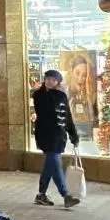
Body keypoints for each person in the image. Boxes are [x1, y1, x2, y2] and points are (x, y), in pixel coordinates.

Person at [32, 68, 80, 207]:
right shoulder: (39, 95)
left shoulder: (61, 96)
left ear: (58, 82)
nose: (50, 82)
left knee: (50, 166)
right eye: (48, 79)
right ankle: (66, 196)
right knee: (56, 165)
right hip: (46, 135)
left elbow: (67, 117)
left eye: (53, 80)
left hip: (59, 136)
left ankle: (41, 195)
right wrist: (54, 92)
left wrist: (73, 135)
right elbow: (43, 108)